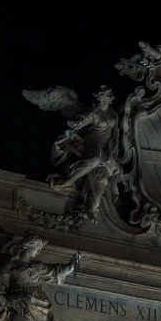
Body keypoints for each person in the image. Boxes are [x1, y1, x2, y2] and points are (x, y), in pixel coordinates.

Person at [48, 86, 121, 221]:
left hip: (105, 149)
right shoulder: (93, 111)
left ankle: (91, 209)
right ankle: (68, 182)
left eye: (105, 98)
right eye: (101, 98)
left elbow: (115, 137)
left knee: (103, 177)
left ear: (109, 99)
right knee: (94, 160)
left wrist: (109, 152)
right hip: (90, 143)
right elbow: (83, 120)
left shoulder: (113, 114)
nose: (102, 101)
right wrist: (75, 123)